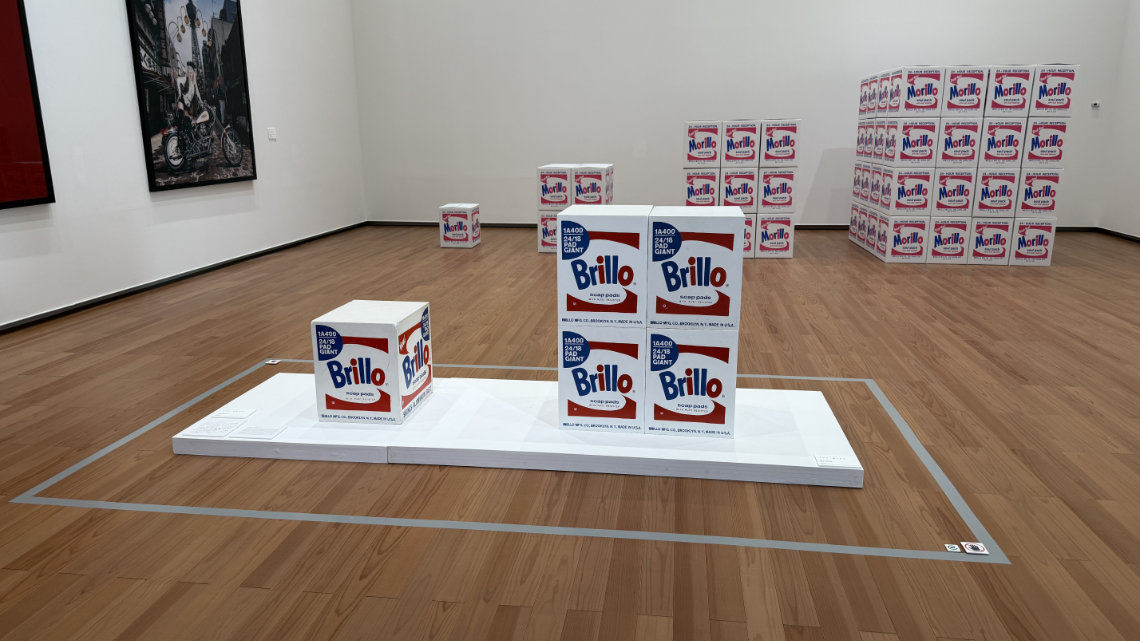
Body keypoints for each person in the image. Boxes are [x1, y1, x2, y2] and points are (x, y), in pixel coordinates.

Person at [172, 62, 210, 133]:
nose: (189, 70)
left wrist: (201, 102)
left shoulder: (194, 83)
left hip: (188, 106)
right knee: (181, 119)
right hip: (182, 101)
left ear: (193, 71)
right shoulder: (185, 79)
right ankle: (179, 133)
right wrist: (179, 93)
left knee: (189, 125)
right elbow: (178, 80)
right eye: (188, 68)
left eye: (190, 69)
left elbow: (197, 93)